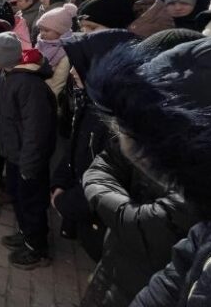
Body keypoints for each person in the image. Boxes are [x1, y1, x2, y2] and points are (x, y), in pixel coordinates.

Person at [85, 37, 211, 307]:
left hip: (137, 268)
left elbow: (147, 224)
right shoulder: (204, 232)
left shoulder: (196, 201)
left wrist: (98, 191)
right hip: (117, 266)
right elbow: (106, 162)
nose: (132, 150)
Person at [50, 30, 138, 262]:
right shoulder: (93, 103)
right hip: (86, 209)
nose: (71, 72)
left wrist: (66, 202)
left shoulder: (122, 122)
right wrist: (60, 181)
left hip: (106, 222)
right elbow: (75, 145)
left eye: (79, 64)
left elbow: (114, 178)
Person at [0, 32, 57, 269]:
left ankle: (38, 248)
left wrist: (30, 164)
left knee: (32, 202)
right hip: (14, 154)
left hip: (28, 159)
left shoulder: (28, 85)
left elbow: (36, 131)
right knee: (18, 196)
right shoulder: (7, 75)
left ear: (3, 59)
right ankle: (26, 234)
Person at [35, 5, 77, 97]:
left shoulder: (64, 53)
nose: (42, 33)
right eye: (41, 29)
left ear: (61, 31)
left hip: (50, 95)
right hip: (37, 88)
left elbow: (57, 83)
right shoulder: (41, 43)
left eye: (46, 30)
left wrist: (49, 99)